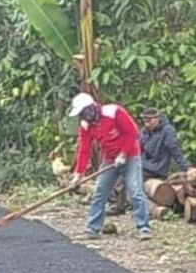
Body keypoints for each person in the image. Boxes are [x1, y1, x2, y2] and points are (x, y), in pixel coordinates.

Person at [69, 92, 152, 241]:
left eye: (84, 112)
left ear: (92, 107)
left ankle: (143, 227)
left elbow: (132, 133)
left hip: (131, 156)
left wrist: (123, 154)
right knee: (100, 192)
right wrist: (78, 174)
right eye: (81, 114)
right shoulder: (85, 125)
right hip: (109, 159)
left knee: (135, 191)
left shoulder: (114, 112)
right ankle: (93, 228)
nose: (84, 116)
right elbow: (84, 149)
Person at [139, 107, 189, 181]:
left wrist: (187, 167)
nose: (147, 125)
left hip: (156, 170)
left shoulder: (167, 130)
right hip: (142, 165)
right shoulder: (146, 131)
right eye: (145, 122)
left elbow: (174, 149)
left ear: (157, 119)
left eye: (149, 121)